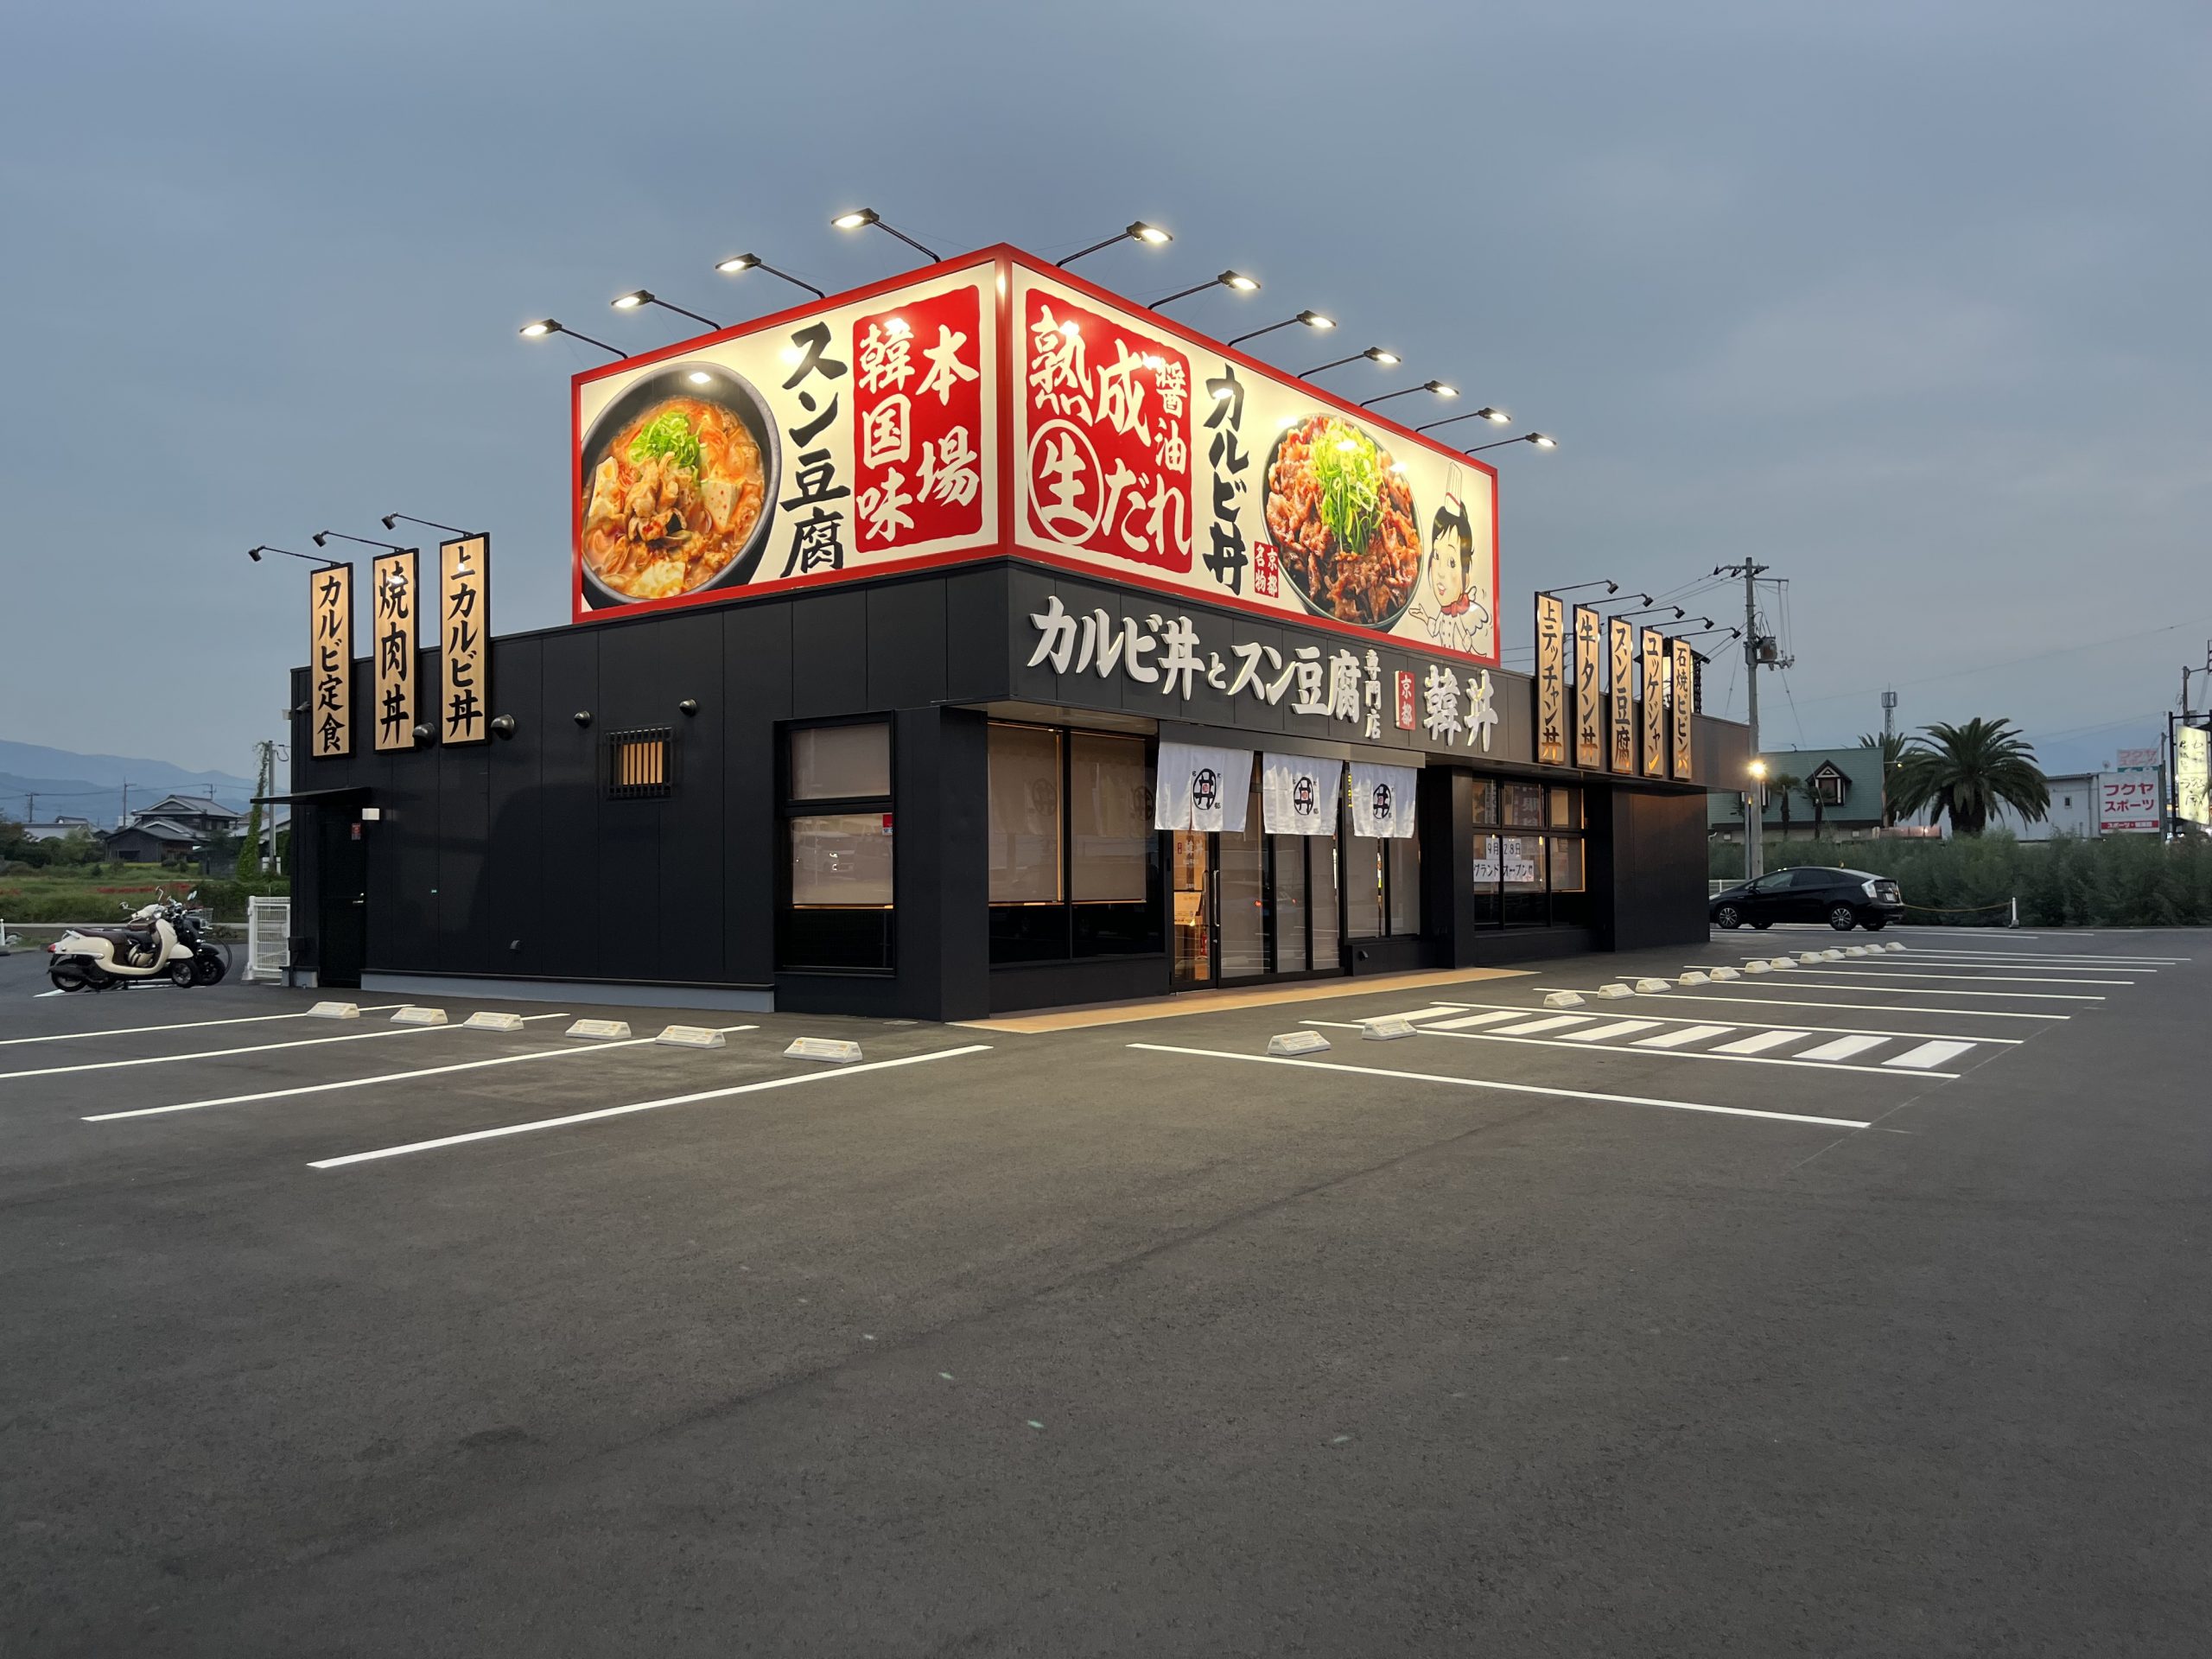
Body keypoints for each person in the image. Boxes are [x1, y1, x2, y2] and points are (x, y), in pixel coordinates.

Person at [1409, 467, 1492, 656]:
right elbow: (1435, 628)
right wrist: (1423, 616)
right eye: (1436, 556)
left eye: (1452, 563)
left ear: (1467, 578)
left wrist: (1468, 643)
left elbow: (1463, 639)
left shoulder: (1459, 614)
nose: (1439, 572)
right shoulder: (1444, 612)